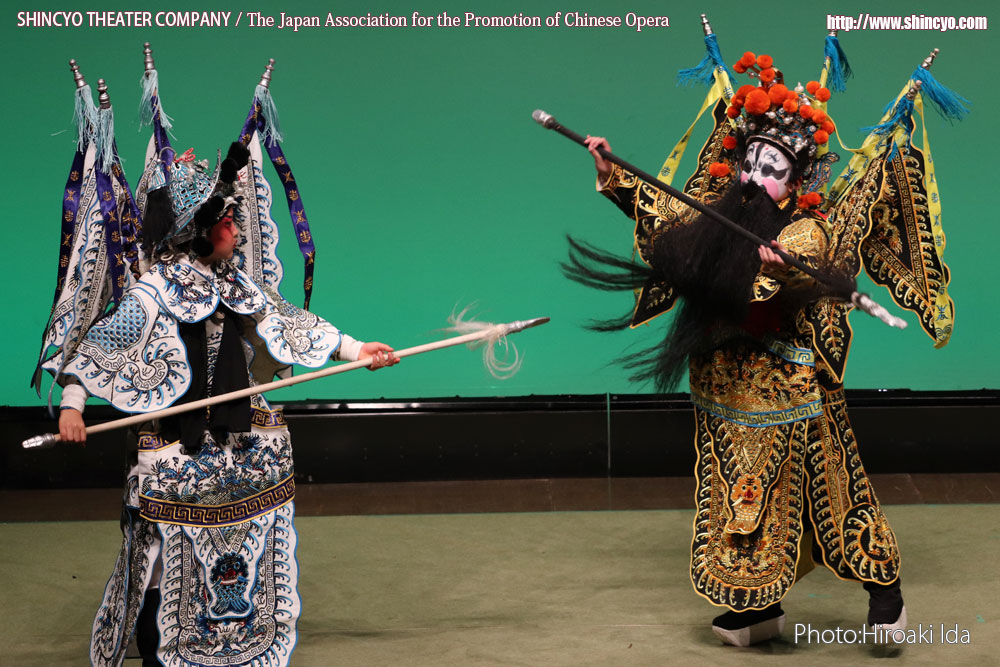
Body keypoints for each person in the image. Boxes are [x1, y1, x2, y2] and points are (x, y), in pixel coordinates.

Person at [567, 53, 910, 647]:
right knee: (741, 498)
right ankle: (760, 606)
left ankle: (885, 591)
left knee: (833, 489)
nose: (753, 177)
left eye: (771, 167)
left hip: (793, 389)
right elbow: (670, 218)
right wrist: (615, 174)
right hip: (725, 390)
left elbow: (782, 283)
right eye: (749, 162)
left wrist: (784, 270)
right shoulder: (721, 218)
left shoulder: (805, 230)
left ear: (796, 180)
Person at [52, 140, 398, 666]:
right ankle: (159, 649)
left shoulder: (236, 283)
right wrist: (72, 407)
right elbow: (104, 344)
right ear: (203, 231)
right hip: (177, 440)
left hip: (234, 438)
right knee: (166, 554)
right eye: (229, 222)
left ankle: (232, 642)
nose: (237, 231)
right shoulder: (155, 290)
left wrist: (355, 349)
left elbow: (283, 319)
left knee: (239, 542)